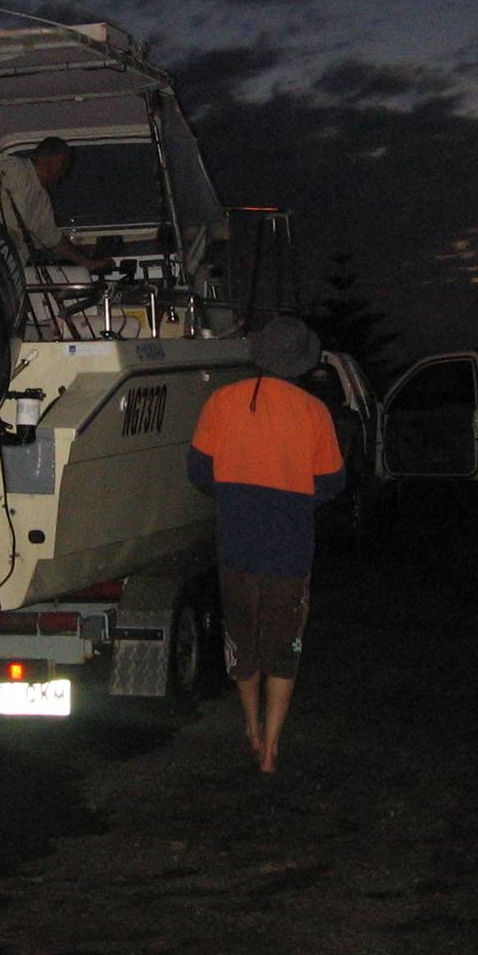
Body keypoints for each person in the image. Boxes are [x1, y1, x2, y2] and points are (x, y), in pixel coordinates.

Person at [188, 316, 345, 774]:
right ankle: (272, 746)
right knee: (283, 646)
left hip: (236, 544)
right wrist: (298, 499)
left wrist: (237, 494)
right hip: (290, 551)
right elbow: (334, 481)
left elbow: (198, 473)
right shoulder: (315, 412)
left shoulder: (222, 402)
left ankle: (251, 728)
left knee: (243, 641)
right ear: (300, 363)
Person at [0, 135, 114, 275]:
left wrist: (89, 264)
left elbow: (54, 240)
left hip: (12, 271)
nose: (65, 173)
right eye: (66, 166)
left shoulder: (43, 200)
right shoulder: (14, 168)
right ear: (58, 160)